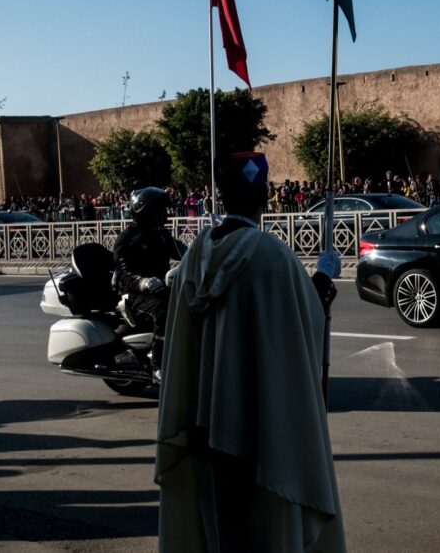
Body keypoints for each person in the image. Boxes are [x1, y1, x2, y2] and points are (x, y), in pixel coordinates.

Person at [156, 151, 345, 552]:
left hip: (204, 425)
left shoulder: (193, 257)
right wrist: (324, 279)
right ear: (264, 198)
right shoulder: (272, 256)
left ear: (221, 197)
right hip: (261, 428)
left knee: (217, 532)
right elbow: (304, 324)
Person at [113, 187, 182, 377]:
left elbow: (182, 252)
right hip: (135, 294)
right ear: (146, 212)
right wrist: (142, 282)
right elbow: (123, 273)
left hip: (160, 287)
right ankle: (158, 365)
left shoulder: (161, 235)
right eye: (160, 210)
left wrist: (202, 252)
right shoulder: (127, 239)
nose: (164, 215)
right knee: (164, 310)